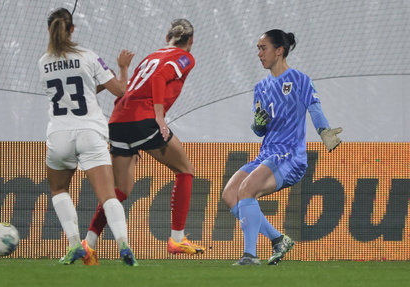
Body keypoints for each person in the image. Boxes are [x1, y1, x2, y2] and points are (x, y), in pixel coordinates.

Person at [80, 19, 206, 264]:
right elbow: (159, 79)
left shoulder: (150, 56)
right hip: (144, 119)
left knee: (120, 190)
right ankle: (177, 238)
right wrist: (159, 116)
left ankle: (89, 242)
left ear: (166, 36)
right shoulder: (184, 57)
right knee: (185, 170)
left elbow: (129, 89)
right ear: (190, 40)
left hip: (118, 122)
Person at [222, 29, 342, 266]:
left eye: (263, 48)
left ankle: (249, 256)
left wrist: (324, 132)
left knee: (246, 191)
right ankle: (278, 239)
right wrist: (257, 124)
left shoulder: (299, 79)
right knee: (229, 195)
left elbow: (314, 109)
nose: (259, 53)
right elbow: (259, 130)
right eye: (258, 48)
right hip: (267, 154)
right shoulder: (261, 87)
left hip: (290, 155)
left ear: (279, 50)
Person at [38, 7, 138, 266]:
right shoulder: (88, 56)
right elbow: (121, 91)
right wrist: (123, 68)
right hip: (90, 132)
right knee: (107, 195)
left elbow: (74, 91)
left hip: (59, 133)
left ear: (50, 30)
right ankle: (123, 244)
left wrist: (98, 83)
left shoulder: (43, 61)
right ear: (73, 29)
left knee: (59, 189)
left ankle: (74, 245)